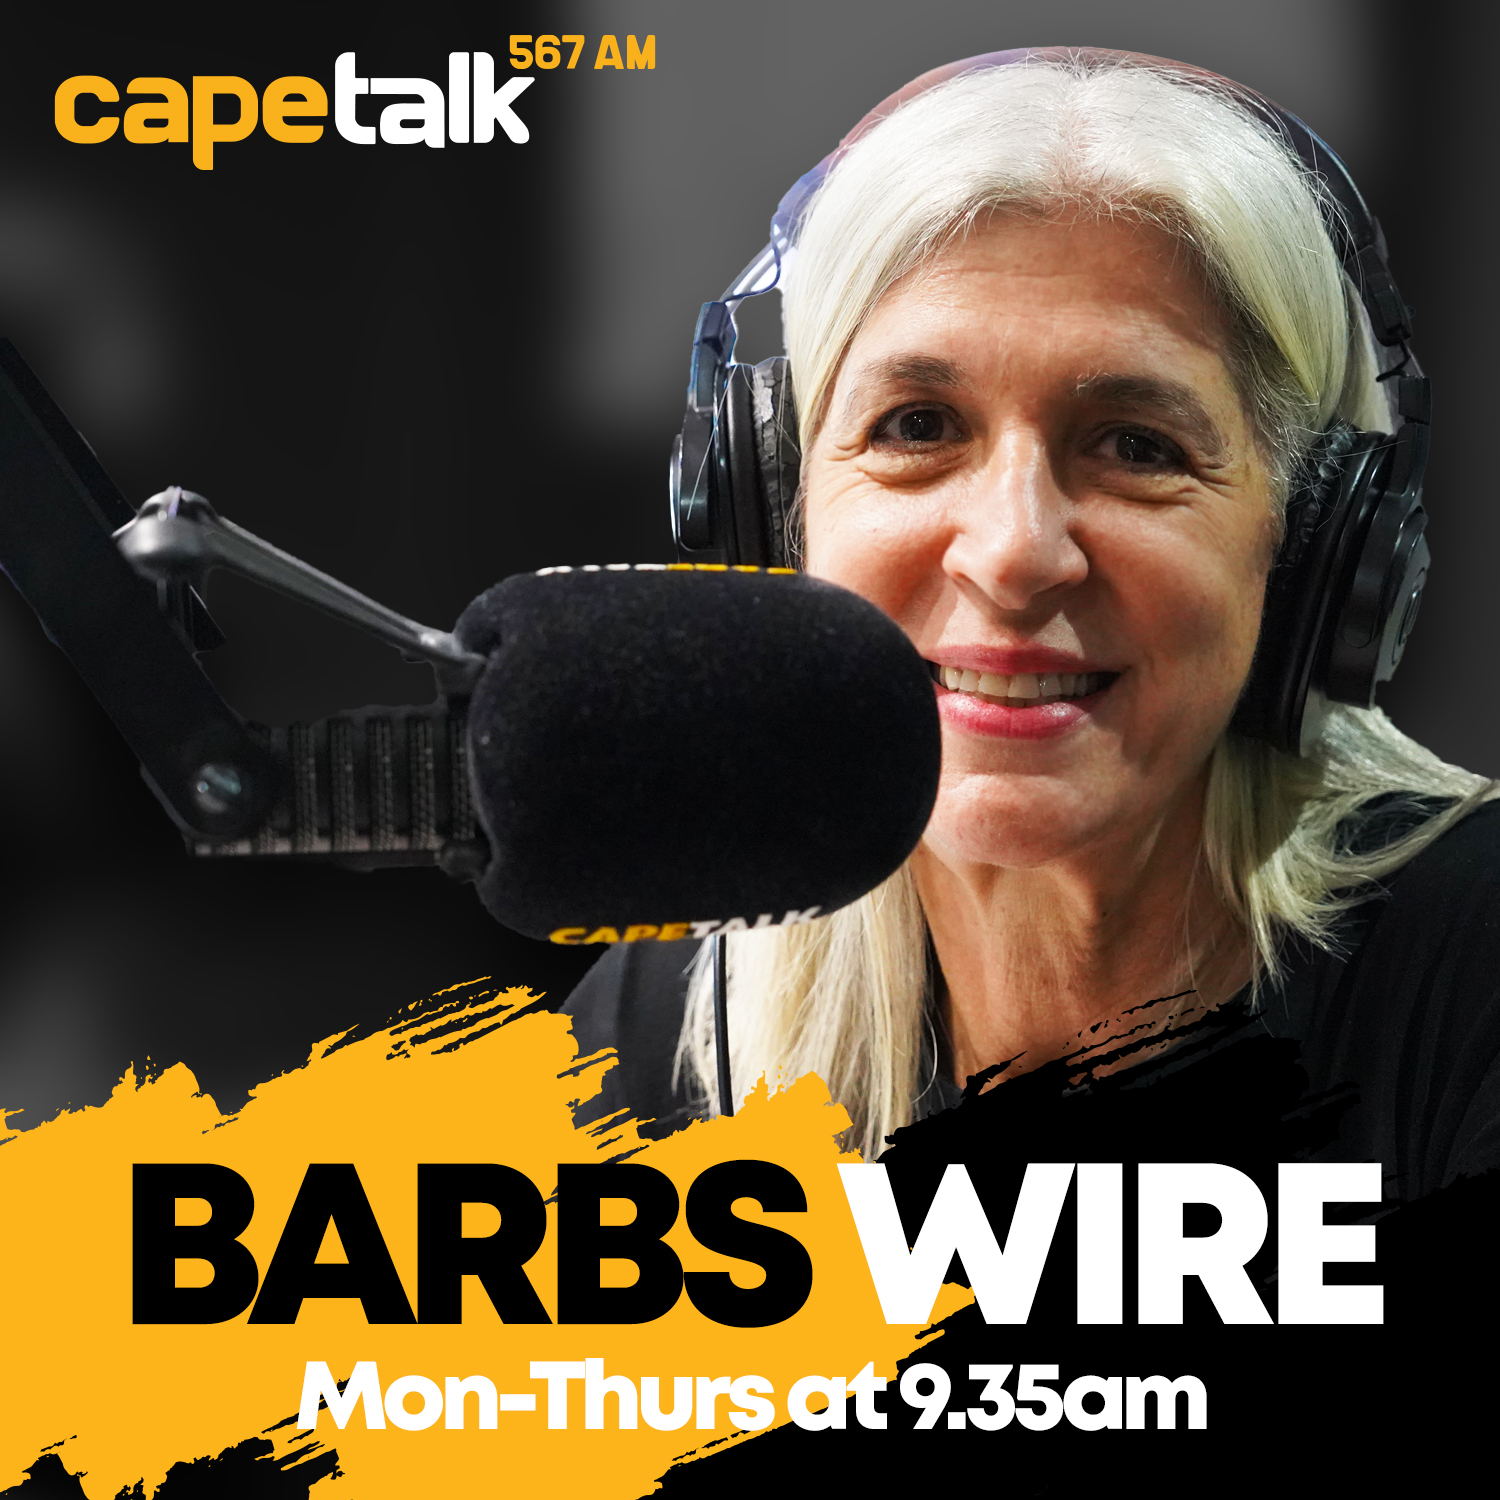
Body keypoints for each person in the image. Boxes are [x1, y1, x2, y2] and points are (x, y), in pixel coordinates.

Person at [565, 49, 1500, 1195]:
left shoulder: (1475, 981)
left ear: (1315, 544)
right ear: (777, 514)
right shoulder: (679, 1022)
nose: (1012, 555)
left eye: (1138, 446)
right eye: (917, 427)